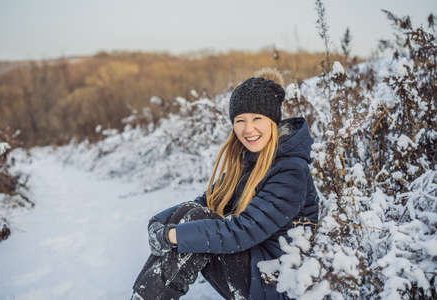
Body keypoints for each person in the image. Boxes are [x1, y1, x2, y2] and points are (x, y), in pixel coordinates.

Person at [131, 69, 319, 300]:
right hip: (257, 267)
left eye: (257, 118)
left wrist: (170, 236)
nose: (248, 129)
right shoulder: (250, 161)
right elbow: (205, 201)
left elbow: (242, 231)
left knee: (196, 226)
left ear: (273, 121)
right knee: (194, 216)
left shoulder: (291, 171)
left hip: (278, 283)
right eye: (240, 120)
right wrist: (159, 221)